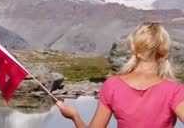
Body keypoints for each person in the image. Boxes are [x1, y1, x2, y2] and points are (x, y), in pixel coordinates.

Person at [56, 22, 184, 128]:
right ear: (165, 53)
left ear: (134, 49)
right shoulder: (174, 90)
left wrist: (74, 116)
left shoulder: (113, 85)